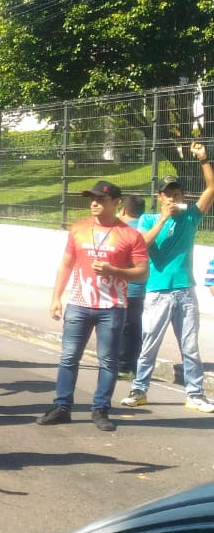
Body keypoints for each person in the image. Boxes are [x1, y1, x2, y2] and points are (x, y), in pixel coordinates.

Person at [42, 180, 148, 432]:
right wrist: (56, 297)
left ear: (116, 203)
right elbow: (66, 264)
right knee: (69, 357)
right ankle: (62, 406)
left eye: (100, 199)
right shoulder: (78, 229)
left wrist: (115, 271)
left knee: (108, 360)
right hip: (79, 303)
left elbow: (142, 272)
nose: (94, 203)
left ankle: (100, 409)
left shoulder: (131, 235)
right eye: (92, 199)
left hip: (112, 306)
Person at [121, 146, 214, 414]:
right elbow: (142, 245)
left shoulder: (191, 217)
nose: (173, 198)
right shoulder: (148, 219)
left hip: (185, 290)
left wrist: (203, 159)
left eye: (177, 194)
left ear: (182, 196)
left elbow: (211, 188)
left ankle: (195, 394)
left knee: (190, 346)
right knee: (149, 342)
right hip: (157, 292)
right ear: (159, 197)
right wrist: (163, 218)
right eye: (168, 195)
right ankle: (139, 389)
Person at [115, 195, 147, 381]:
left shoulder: (122, 229)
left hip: (123, 286)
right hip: (142, 287)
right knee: (135, 326)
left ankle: (123, 366)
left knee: (121, 327)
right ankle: (130, 365)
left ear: (124, 210)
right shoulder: (145, 228)